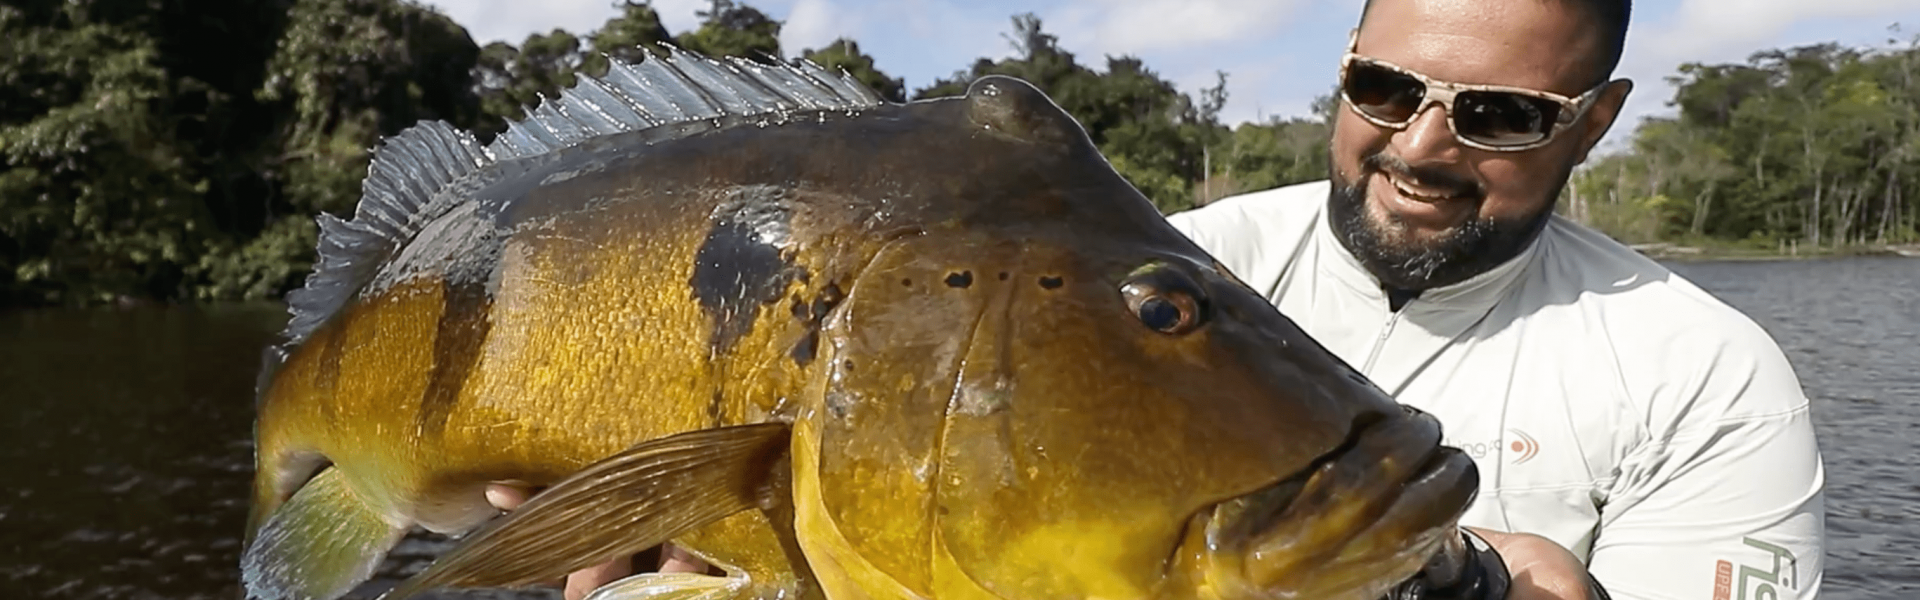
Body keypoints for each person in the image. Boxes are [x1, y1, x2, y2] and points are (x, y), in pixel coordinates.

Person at [494, 0, 1828, 598]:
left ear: (1593, 123)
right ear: (1345, 68)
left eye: (1499, 115)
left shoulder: (1704, 375)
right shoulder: (1163, 261)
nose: (1423, 147)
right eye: (1384, 90)